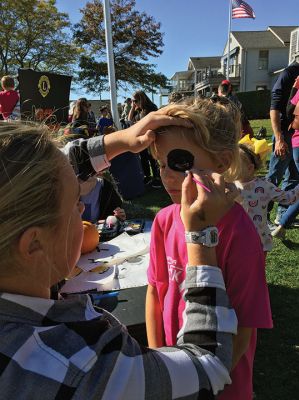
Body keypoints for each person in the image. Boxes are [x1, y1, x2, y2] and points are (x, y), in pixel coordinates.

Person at [0, 117, 238, 399]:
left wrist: (119, 140)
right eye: (76, 203)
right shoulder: (84, 368)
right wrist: (200, 236)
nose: (82, 208)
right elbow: (207, 366)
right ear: (34, 244)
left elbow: (22, 175)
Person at [146, 97, 273, 400]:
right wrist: (154, 360)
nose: (166, 174)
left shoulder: (240, 234)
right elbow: (156, 291)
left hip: (220, 385)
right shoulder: (164, 221)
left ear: (222, 161)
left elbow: (245, 325)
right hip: (171, 371)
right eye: (161, 164)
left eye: (179, 162)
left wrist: (204, 383)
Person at [235, 143, 299, 251]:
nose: (227, 167)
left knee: (256, 267)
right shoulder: (228, 186)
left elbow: (288, 198)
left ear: (249, 168)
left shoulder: (264, 186)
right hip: (237, 239)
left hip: (259, 240)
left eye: (233, 165)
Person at [266, 52, 299, 225]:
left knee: (293, 176)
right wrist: (279, 138)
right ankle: (262, 217)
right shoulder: (289, 73)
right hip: (284, 132)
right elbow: (275, 107)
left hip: (296, 134)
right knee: (274, 175)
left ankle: (283, 213)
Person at [272, 74, 299, 237]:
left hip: (296, 143)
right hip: (293, 142)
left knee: (293, 180)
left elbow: (289, 110)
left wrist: (296, 88)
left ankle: (282, 219)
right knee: (279, 177)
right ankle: (282, 222)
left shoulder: (298, 90)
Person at [128, 90, 161, 188]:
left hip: (151, 137)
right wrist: (132, 107)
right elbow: (129, 119)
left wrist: (139, 125)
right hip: (141, 138)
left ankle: (157, 178)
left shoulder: (151, 108)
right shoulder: (138, 110)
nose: (134, 103)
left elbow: (153, 123)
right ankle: (148, 176)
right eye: (133, 101)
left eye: (136, 101)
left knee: (153, 158)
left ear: (142, 99)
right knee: (143, 158)